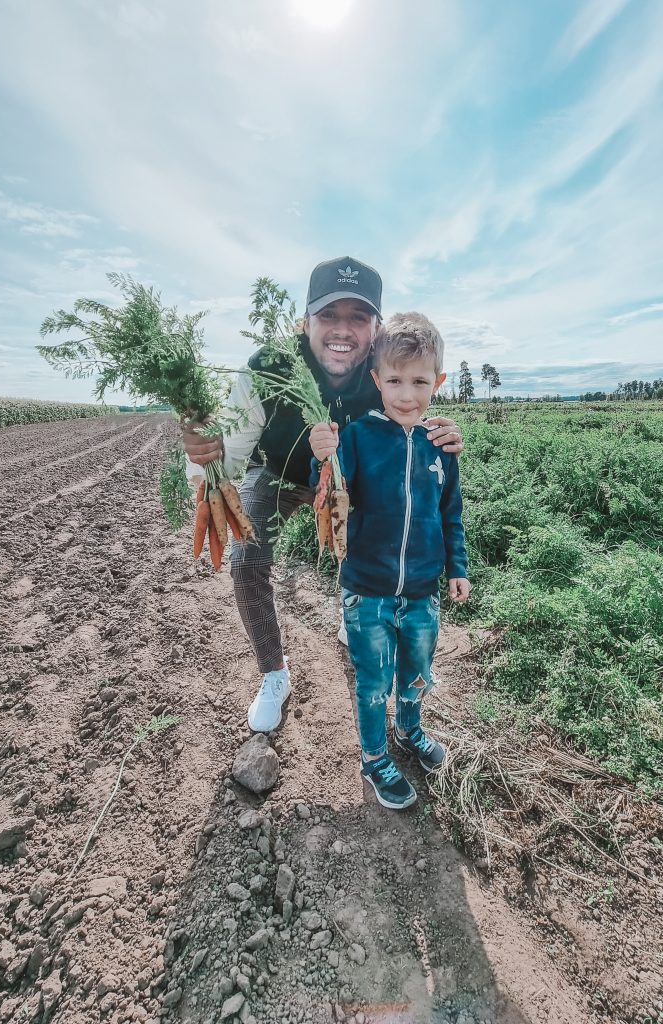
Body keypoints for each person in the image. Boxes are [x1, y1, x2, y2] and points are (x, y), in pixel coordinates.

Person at [182, 258, 464, 733]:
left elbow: (415, 410)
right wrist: (203, 456)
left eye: (358, 317)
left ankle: (352, 612)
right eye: (329, 315)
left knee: (358, 532)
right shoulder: (266, 370)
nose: (343, 329)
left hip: (344, 475)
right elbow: (225, 462)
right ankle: (275, 674)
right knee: (246, 559)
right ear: (304, 321)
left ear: (376, 328)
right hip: (275, 471)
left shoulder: (381, 374)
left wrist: (448, 435)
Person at [309, 312, 470, 810]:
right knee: (372, 679)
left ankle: (410, 728)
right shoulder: (358, 437)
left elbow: (451, 513)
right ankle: (374, 756)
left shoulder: (440, 447)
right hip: (367, 590)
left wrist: (458, 568)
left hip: (422, 590)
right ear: (376, 380)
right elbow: (332, 490)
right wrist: (323, 454)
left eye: (419, 381)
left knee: (417, 670)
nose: (406, 394)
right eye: (394, 380)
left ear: (437, 383)